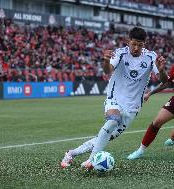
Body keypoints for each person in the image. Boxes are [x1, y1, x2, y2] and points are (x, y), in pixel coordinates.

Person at [61, 27, 168, 169]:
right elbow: (107, 71)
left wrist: (161, 70)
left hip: (133, 107)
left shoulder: (151, 57)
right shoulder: (120, 53)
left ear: (144, 44)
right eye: (133, 44)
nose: (136, 48)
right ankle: (92, 160)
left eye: (140, 45)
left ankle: (71, 153)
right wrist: (105, 61)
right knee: (113, 121)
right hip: (115, 98)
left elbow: (164, 81)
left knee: (106, 137)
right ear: (128, 41)